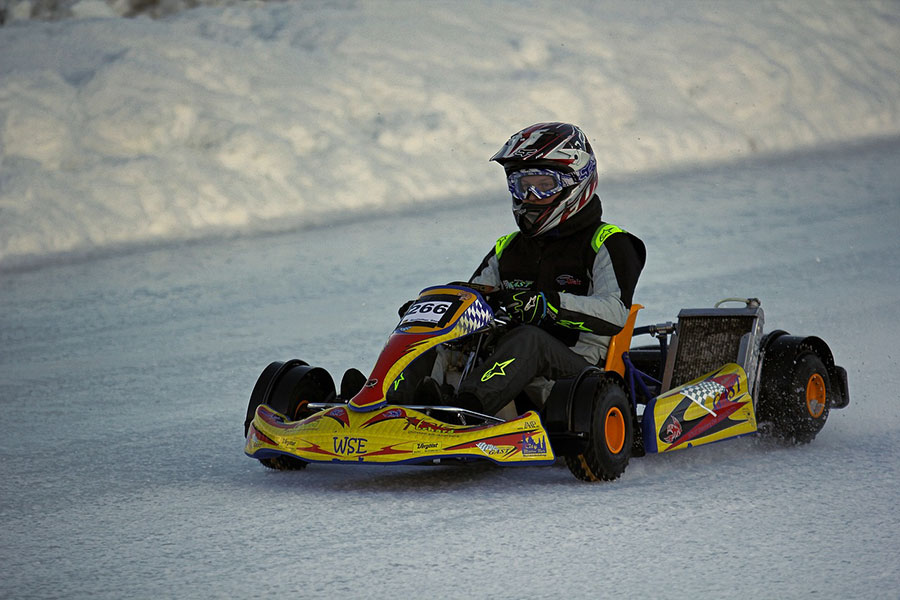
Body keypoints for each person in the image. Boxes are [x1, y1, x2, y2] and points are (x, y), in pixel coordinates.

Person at [391, 122, 646, 416]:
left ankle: (466, 413)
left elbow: (615, 313)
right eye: (523, 186)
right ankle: (387, 403)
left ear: (576, 183)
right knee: (436, 337)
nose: (531, 197)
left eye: (544, 186)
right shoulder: (509, 247)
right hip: (506, 366)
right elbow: (473, 300)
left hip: (577, 372)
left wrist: (547, 305)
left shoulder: (609, 242)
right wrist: (435, 312)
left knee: (529, 338)